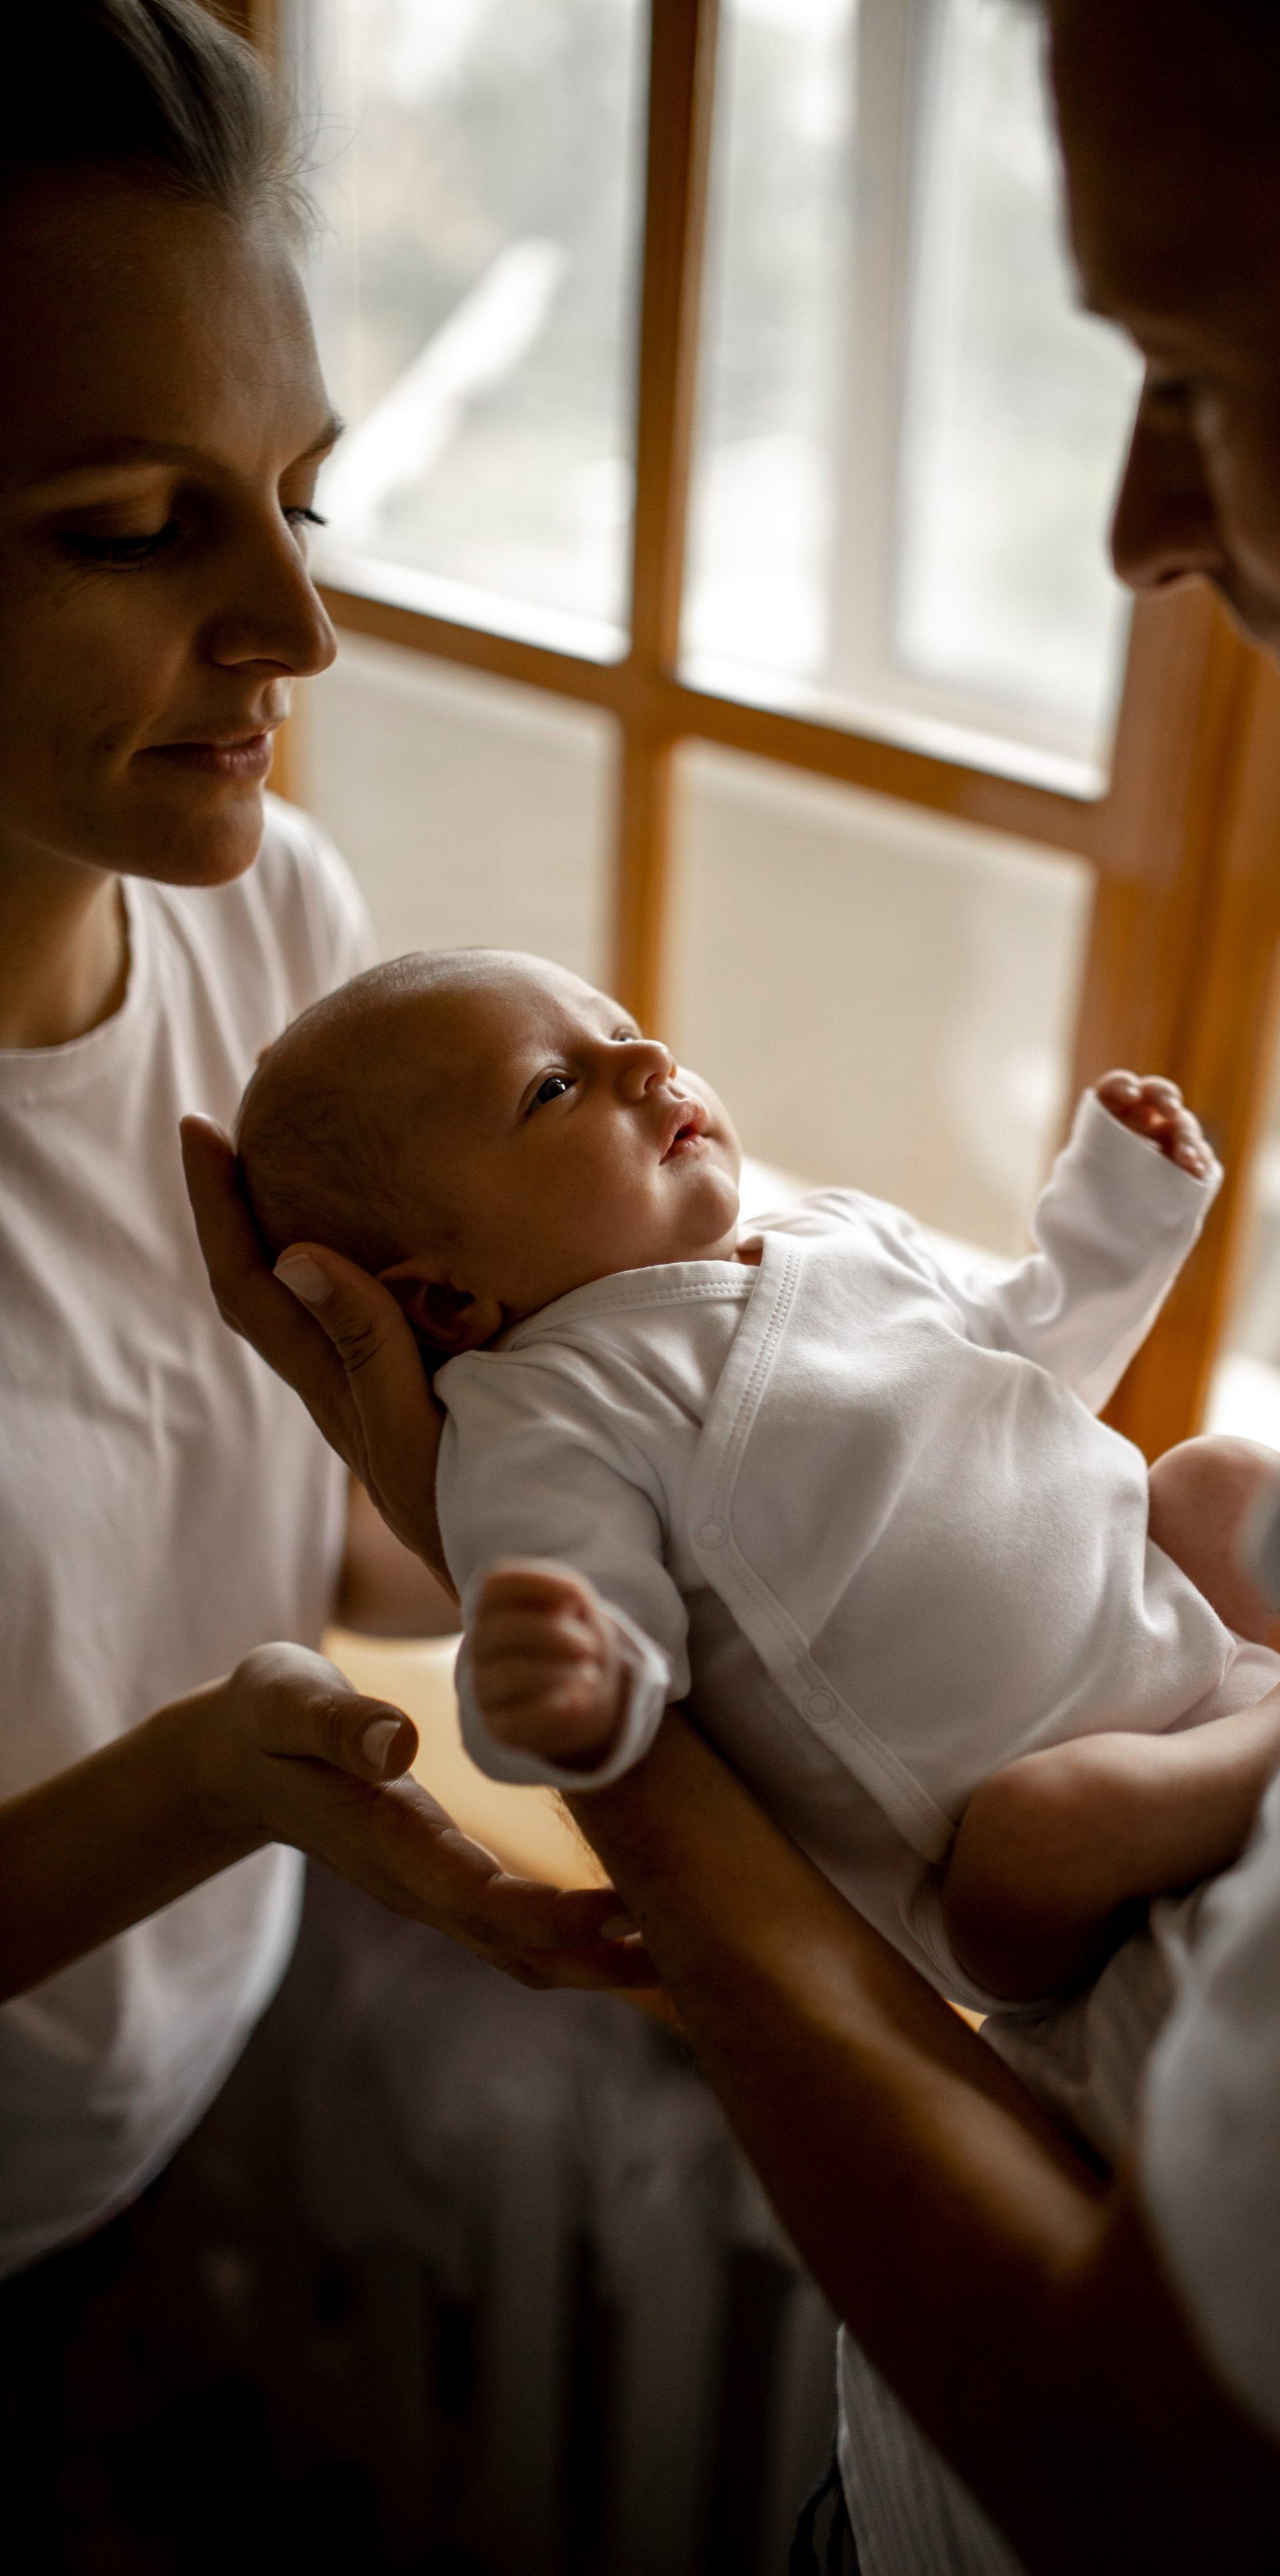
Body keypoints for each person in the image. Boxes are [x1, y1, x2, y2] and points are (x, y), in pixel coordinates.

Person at [192, 0, 1280, 2566]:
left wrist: (1106, 1244)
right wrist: (546, 1624)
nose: (1138, 530)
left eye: (1192, 370)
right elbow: (577, 1578)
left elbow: (1173, 2488)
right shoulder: (587, 1384)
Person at [0, 0, 651, 2375]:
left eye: (305, 497)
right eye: (131, 529)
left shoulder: (268, 924)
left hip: (136, 2115)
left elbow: (345, 1512)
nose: (298, 632)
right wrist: (216, 1779)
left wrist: (627, 1469)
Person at [231, 946, 1280, 2013]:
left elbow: (1030, 1366)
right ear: (449, 1305)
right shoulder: (544, 1405)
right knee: (1050, 1820)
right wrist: (561, 1689)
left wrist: (1115, 1226)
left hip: (1174, 1648)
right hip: (1021, 1860)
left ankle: (1269, 1715)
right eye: (555, 1088)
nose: (648, 1060)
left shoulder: (838, 1232)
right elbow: (565, 1597)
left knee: (1224, 1479)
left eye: (621, 1030)